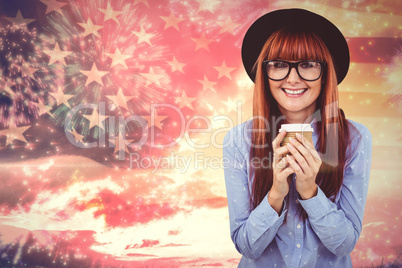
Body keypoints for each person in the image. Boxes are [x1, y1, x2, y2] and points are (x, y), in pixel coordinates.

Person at [223, 8, 372, 267]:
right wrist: (276, 194)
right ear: (264, 72)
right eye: (279, 65)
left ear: (325, 72)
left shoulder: (355, 138)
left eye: (307, 64)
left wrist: (309, 191)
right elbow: (246, 246)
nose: (293, 79)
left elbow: (345, 244)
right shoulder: (238, 140)